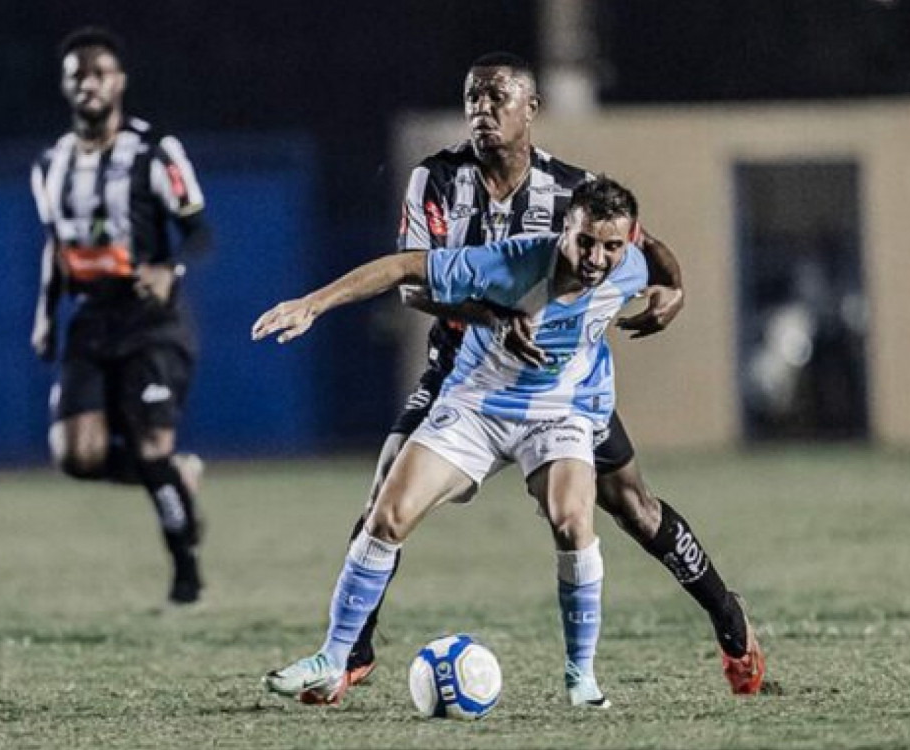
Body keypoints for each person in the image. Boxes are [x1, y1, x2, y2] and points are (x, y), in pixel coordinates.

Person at [341, 52, 764, 695]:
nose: (482, 111)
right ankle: (351, 657)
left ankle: (730, 621)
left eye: (496, 99)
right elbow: (411, 287)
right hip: (463, 368)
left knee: (634, 508)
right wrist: (492, 315)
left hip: (562, 382)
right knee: (384, 496)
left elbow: (646, 246)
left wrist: (674, 287)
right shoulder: (434, 179)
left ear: (529, 110)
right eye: (473, 99)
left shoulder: (575, 188)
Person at [255, 177, 650, 708]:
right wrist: (315, 302)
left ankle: (582, 678)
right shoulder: (508, 262)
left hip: (558, 413)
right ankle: (331, 660)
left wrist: (674, 289)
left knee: (573, 519)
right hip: (476, 406)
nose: (597, 258)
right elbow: (403, 267)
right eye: (586, 242)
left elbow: (658, 262)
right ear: (564, 230)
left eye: (611, 246)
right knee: (388, 515)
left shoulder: (632, 267)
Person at [29, 27, 212, 607]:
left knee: (150, 444)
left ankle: (186, 575)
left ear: (120, 82)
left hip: (151, 318)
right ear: (65, 86)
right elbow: (55, 245)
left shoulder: (156, 152)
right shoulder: (50, 163)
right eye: (78, 74)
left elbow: (199, 230)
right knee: (75, 456)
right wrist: (45, 316)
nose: (89, 83)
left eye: (100, 72)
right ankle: (177, 480)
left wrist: (169, 270)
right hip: (89, 316)